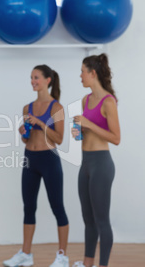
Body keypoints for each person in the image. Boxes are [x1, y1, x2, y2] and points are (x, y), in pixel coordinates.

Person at [3, 65, 69, 267]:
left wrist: (40, 123)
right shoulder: (27, 108)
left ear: (48, 80)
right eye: (31, 77)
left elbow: (58, 138)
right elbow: (26, 139)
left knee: (57, 207)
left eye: (37, 77)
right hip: (30, 158)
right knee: (29, 207)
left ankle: (62, 256)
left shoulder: (56, 108)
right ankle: (26, 253)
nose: (33, 81)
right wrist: (23, 131)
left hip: (49, 159)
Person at [71, 54, 120, 267]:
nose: (80, 75)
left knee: (101, 221)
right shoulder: (85, 100)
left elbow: (116, 138)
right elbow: (88, 131)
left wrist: (89, 125)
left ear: (93, 73)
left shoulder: (109, 101)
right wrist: (79, 131)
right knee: (88, 220)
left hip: (101, 164)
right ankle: (87, 263)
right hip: (86, 163)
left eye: (82, 71)